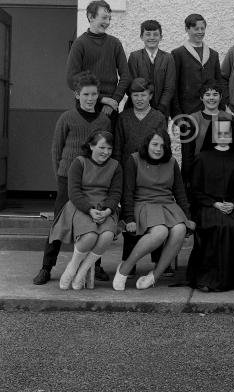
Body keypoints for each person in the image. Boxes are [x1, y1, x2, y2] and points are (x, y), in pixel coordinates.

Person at [33, 72, 111, 285]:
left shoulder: (104, 120)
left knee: (95, 221)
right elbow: (56, 150)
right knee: (59, 222)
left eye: (94, 94)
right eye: (86, 94)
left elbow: (106, 150)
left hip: (94, 180)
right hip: (68, 178)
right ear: (77, 95)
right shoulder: (67, 118)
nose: (90, 98)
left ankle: (95, 265)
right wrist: (61, 175)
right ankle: (46, 267)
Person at [113, 129, 192, 290]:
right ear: (147, 144)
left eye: (162, 146)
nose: (158, 149)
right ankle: (124, 268)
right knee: (160, 232)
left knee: (180, 229)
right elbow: (127, 192)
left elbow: (180, 192)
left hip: (167, 205)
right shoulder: (134, 160)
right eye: (155, 144)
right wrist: (129, 218)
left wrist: (188, 217)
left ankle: (155, 275)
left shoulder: (171, 162)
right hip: (143, 204)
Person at [187, 118, 234, 292]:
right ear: (213, 135)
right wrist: (214, 203)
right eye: (220, 133)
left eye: (227, 133)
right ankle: (208, 279)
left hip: (233, 206)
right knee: (216, 225)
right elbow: (195, 190)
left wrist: (233, 204)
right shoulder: (202, 158)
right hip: (208, 206)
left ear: (232, 135)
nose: (223, 136)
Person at [49, 131, 122, 290]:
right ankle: (73, 267)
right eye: (102, 147)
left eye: (109, 149)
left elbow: (115, 193)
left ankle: (82, 271)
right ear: (91, 146)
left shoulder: (115, 166)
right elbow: (73, 192)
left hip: (105, 207)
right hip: (81, 206)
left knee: (108, 235)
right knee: (89, 236)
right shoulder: (79, 162)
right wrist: (89, 210)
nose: (106, 152)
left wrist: (108, 211)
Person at [113, 77, 167, 275]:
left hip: (151, 172)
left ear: (150, 96)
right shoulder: (123, 118)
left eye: (143, 95)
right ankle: (130, 259)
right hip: (128, 171)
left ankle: (158, 258)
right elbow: (117, 148)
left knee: (154, 211)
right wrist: (118, 171)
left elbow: (161, 146)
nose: (139, 99)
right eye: (135, 95)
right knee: (131, 211)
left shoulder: (158, 117)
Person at [66, 0, 131, 124]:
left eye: (109, 19)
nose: (107, 22)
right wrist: (102, 99)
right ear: (91, 17)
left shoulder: (115, 43)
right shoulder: (79, 44)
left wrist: (113, 101)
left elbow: (126, 76)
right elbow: (71, 79)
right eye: (104, 18)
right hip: (86, 107)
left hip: (110, 109)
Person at [180, 81, 234, 185]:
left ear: (221, 97)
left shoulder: (229, 118)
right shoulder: (192, 119)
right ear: (201, 97)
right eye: (207, 94)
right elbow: (187, 152)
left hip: (224, 169)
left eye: (215, 94)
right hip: (199, 170)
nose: (211, 98)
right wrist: (188, 178)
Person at [171, 13, 227, 117]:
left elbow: (219, 82)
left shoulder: (213, 54)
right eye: (196, 29)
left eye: (202, 28)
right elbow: (174, 85)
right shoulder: (178, 54)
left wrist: (222, 107)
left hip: (211, 109)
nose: (200, 32)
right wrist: (177, 113)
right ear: (187, 29)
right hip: (187, 110)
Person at [127, 19, 176, 118]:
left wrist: (161, 107)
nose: (152, 38)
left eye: (155, 34)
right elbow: (131, 84)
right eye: (148, 34)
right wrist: (143, 106)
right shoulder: (134, 57)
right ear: (141, 37)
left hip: (161, 110)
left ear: (161, 37)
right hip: (138, 109)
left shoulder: (168, 58)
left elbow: (169, 87)